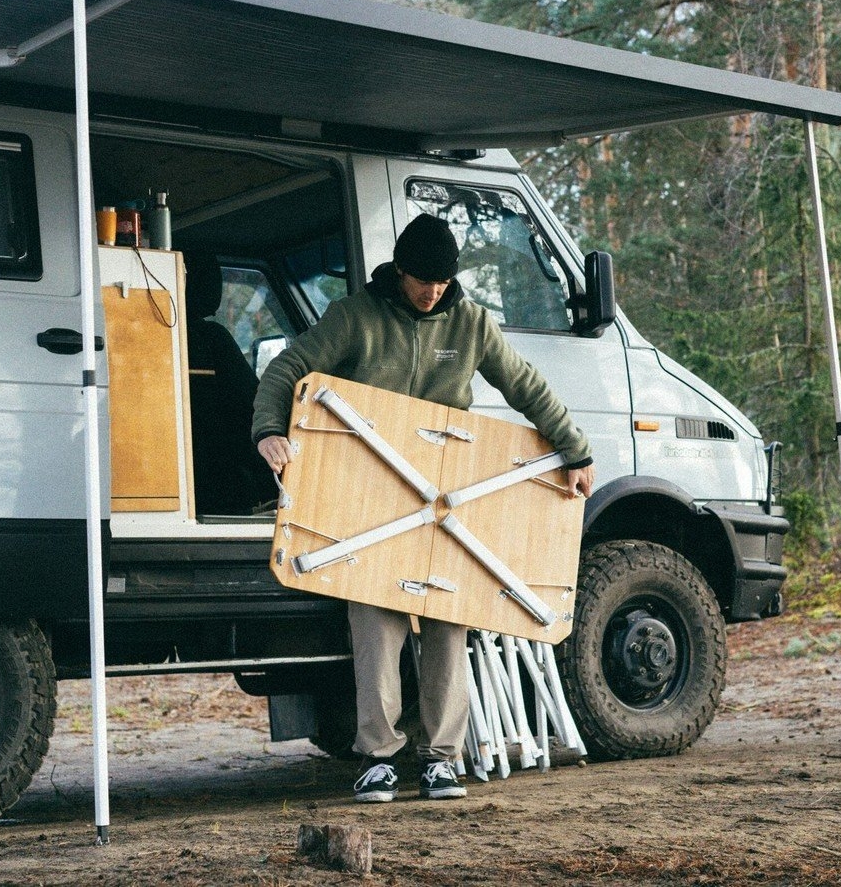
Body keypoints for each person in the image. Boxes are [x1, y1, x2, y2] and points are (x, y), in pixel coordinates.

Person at [251, 213, 594, 803]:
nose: (432, 292)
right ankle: (378, 758)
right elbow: (287, 367)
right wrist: (268, 430)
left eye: (442, 282)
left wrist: (576, 449)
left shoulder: (471, 322)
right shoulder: (355, 317)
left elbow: (524, 384)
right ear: (400, 272)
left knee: (447, 620)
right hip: (370, 492)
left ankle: (440, 759)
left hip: (447, 493)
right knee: (376, 625)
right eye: (421, 281)